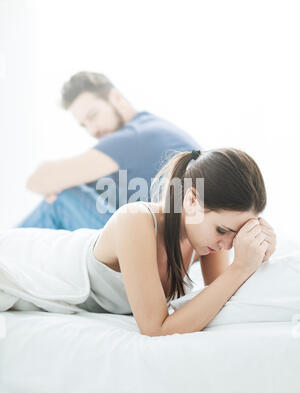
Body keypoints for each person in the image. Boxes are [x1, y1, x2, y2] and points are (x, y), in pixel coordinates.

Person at [0, 148, 277, 336]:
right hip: (28, 266)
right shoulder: (137, 221)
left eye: (237, 235)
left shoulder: (208, 239)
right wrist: (240, 268)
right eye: (223, 230)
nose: (228, 245)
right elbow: (155, 328)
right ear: (191, 200)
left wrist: (255, 255)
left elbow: (222, 297)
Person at [18, 71, 199, 230]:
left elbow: (40, 179)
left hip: (155, 247)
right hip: (162, 239)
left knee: (62, 199)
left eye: (93, 116)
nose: (92, 130)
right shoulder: (150, 129)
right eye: (84, 125)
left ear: (116, 98)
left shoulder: (136, 137)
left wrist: (56, 183)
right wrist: (57, 183)